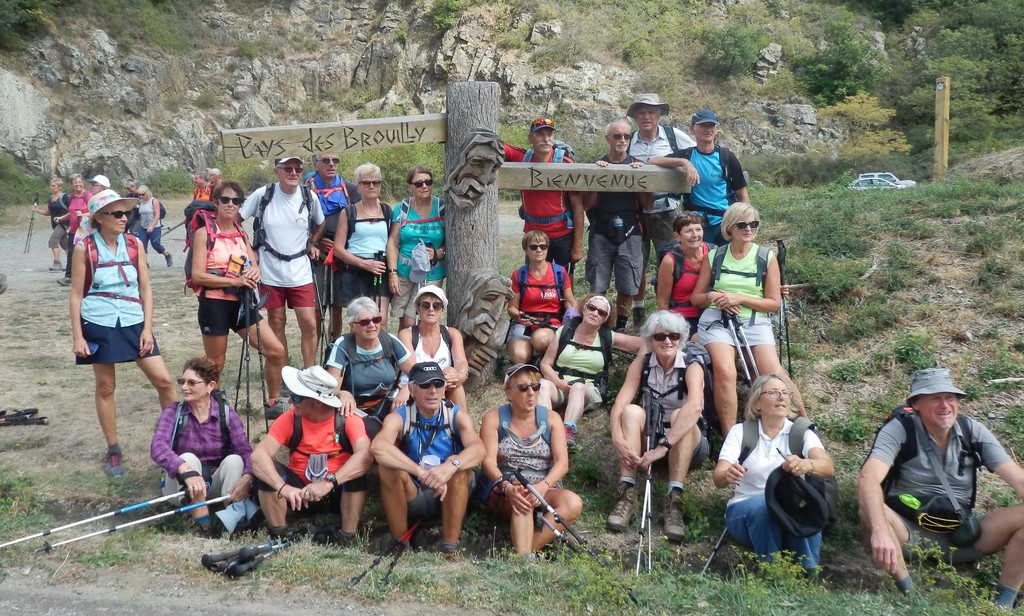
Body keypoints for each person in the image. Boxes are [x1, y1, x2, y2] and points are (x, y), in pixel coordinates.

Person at [858, 369, 1024, 607]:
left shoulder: (971, 430)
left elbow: (1018, 479)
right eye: (935, 398)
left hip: (962, 535)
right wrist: (880, 530)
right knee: (870, 510)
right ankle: (909, 594)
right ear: (915, 404)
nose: (945, 405)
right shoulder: (900, 429)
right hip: (907, 534)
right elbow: (868, 478)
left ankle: (1003, 605)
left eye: (950, 398)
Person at [69, 189, 177, 476]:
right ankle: (114, 449)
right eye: (117, 213)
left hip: (133, 320)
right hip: (99, 322)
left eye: (126, 213)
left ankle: (175, 440)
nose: (124, 218)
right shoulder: (84, 248)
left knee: (164, 381)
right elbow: (76, 295)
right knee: (106, 387)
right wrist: (78, 336)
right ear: (99, 218)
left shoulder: (134, 244)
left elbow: (146, 289)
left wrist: (148, 329)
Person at [690, 202, 805, 435]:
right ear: (729, 227)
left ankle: (804, 425)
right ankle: (730, 437)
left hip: (755, 322)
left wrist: (739, 298)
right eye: (742, 224)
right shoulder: (715, 256)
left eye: (754, 224)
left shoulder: (766, 257)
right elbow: (697, 298)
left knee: (773, 372)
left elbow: (773, 303)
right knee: (725, 370)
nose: (749, 228)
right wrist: (713, 296)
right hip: (718, 321)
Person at [712, 373, 834, 573]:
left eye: (786, 393)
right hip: (746, 512)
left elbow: (827, 466)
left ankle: (808, 574)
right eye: (773, 392)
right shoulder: (741, 432)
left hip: (788, 512)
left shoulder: (801, 432)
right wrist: (728, 474)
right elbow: (718, 478)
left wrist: (806, 464)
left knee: (805, 511)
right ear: (757, 403)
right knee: (763, 505)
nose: (781, 397)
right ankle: (771, 572)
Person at [607, 311, 710, 542]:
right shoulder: (642, 363)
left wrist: (663, 448)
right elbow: (620, 403)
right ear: (650, 340)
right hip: (651, 440)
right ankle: (627, 492)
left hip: (685, 443)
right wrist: (617, 436)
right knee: (631, 411)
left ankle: (675, 500)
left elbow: (695, 407)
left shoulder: (692, 366)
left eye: (673, 336)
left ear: (681, 339)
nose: (667, 341)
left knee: (681, 414)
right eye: (660, 336)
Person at [190, 180, 288, 419]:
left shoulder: (241, 233)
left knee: (276, 351)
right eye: (225, 199)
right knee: (216, 362)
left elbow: (254, 265)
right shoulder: (204, 233)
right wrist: (234, 282)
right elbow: (197, 275)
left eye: (236, 201)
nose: (230, 204)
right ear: (216, 202)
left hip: (242, 303)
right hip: (214, 303)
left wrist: (255, 272)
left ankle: (273, 403)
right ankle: (212, 409)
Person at [371, 361, 485, 556]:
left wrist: (450, 467)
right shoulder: (400, 417)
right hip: (414, 490)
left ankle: (449, 548)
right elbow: (378, 447)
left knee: (460, 468)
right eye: (425, 385)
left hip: (450, 492)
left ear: (444, 388)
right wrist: (421, 473)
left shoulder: (455, 415)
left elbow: (479, 449)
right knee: (387, 468)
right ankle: (400, 544)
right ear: (412, 390)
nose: (433, 390)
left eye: (438, 384)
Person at [252, 365, 373, 541]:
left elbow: (365, 455)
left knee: (355, 474)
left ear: (316, 402)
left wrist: (329, 483)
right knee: (270, 471)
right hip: (298, 495)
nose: (290, 401)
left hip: (336, 493)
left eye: (296, 397)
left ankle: (347, 536)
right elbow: (258, 456)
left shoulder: (347, 419)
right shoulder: (290, 418)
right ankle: (279, 533)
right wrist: (284, 488)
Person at [480, 363, 582, 555]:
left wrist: (543, 486)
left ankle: (525, 553)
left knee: (573, 502)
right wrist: (507, 487)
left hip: (544, 488)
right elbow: (487, 463)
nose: (531, 392)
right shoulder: (493, 419)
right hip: (507, 489)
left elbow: (562, 463)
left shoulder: (551, 419)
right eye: (523, 387)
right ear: (508, 393)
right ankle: (524, 557)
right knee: (522, 497)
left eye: (535, 387)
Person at [149, 357, 254, 536]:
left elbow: (245, 451)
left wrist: (248, 477)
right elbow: (157, 446)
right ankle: (203, 525)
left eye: (191, 383)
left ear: (210, 386)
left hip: (214, 485)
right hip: (181, 486)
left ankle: (232, 517)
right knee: (188, 458)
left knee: (235, 460)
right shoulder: (174, 412)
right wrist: (185, 470)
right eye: (182, 381)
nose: (184, 387)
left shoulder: (226, 413)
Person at [239, 156, 325, 368]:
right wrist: (250, 251)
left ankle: (309, 371)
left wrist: (313, 242)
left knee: (309, 323)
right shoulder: (263, 194)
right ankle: (283, 372)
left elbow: (320, 223)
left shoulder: (309, 196)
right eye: (288, 168)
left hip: (300, 269)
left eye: (298, 169)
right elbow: (236, 222)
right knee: (276, 322)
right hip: (270, 269)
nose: (293, 173)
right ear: (276, 171)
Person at [626, 94, 698, 327]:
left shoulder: (674, 136)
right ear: (635, 117)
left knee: (671, 260)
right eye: (642, 112)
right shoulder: (628, 140)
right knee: (637, 261)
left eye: (651, 112)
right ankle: (638, 310)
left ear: (658, 115)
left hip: (667, 210)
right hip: (635, 210)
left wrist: (686, 164)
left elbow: (696, 155)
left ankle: (670, 309)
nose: (646, 117)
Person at [538, 293, 642, 448]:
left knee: (578, 387)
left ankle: (567, 431)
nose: (595, 313)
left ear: (605, 319)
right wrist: (559, 383)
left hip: (589, 388)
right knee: (543, 384)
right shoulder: (565, 330)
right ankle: (545, 429)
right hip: (560, 383)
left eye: (601, 312)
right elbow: (546, 364)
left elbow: (644, 344)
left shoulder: (607, 336)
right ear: (584, 309)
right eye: (592, 308)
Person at [586, 119, 652, 331]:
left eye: (626, 136)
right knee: (598, 282)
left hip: (631, 229)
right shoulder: (596, 165)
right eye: (617, 136)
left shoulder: (638, 166)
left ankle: (621, 326)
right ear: (608, 139)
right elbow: (587, 204)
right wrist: (597, 177)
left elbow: (648, 205)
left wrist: (640, 177)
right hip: (601, 230)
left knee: (628, 282)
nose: (622, 140)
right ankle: (599, 326)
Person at [650, 109, 748, 246]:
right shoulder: (687, 155)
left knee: (725, 259)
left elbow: (742, 196)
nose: (708, 129)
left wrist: (745, 223)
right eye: (703, 125)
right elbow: (653, 161)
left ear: (716, 129)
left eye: (711, 125)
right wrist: (684, 163)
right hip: (697, 226)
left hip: (725, 223)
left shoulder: (726, 157)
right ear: (692, 129)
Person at [325, 297, 416, 436]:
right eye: (365, 322)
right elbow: (331, 387)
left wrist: (407, 388)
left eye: (376, 319)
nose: (372, 325)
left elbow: (418, 373)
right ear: (352, 325)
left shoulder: (389, 341)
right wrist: (342, 393)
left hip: (389, 406)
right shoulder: (342, 345)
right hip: (353, 410)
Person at [502, 118, 583, 270]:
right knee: (534, 277)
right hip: (534, 235)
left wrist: (577, 246)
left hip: (562, 234)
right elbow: (498, 146)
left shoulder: (565, 164)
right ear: (530, 138)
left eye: (549, 134)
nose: (546, 139)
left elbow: (578, 207)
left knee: (564, 280)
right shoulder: (522, 159)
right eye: (540, 134)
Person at [307, 152, 361, 340]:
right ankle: (314, 350)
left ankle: (332, 348)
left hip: (342, 253)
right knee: (316, 306)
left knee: (337, 306)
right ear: (315, 165)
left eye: (335, 160)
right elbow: (298, 222)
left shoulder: (350, 188)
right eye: (326, 160)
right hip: (316, 254)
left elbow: (359, 217)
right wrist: (314, 241)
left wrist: (342, 244)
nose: (331, 164)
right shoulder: (306, 190)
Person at [387, 165, 446, 331]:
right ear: (410, 187)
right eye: (419, 183)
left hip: (432, 271)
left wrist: (438, 252)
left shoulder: (442, 208)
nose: (424, 186)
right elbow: (393, 242)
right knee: (403, 319)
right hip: (404, 271)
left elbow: (453, 241)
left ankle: (420, 347)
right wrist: (392, 273)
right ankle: (405, 347)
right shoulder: (402, 209)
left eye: (428, 182)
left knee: (416, 317)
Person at [331, 162, 390, 329]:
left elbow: (393, 242)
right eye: (366, 183)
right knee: (360, 323)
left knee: (380, 321)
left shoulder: (387, 211)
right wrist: (364, 264)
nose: (371, 186)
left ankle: (381, 348)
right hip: (355, 272)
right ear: (358, 186)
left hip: (380, 270)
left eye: (376, 182)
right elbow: (338, 248)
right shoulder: (349, 212)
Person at [506, 231, 578, 365]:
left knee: (540, 339)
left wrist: (575, 319)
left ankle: (545, 359)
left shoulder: (559, 272)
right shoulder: (519, 275)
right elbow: (511, 307)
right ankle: (535, 359)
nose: (539, 250)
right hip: (525, 324)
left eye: (543, 246)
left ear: (547, 248)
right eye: (533, 247)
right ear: (526, 250)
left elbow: (571, 301)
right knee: (520, 356)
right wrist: (517, 315)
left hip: (551, 324)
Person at [398, 285, 470, 410]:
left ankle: (461, 421)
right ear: (418, 309)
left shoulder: (452, 334)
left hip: (441, 388)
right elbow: (414, 370)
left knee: (454, 377)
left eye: (436, 306)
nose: (431, 309)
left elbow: (461, 362)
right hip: (416, 387)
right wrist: (442, 378)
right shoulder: (407, 334)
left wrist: (461, 375)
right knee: (449, 372)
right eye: (425, 305)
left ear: (443, 310)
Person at [656, 213, 709, 339]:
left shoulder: (712, 252)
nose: (695, 235)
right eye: (688, 231)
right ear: (677, 236)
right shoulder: (670, 260)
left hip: (709, 312)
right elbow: (663, 302)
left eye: (698, 229)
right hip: (682, 317)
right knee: (701, 341)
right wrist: (667, 329)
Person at [56, 173, 92, 286]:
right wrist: (62, 218)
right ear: (71, 184)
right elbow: (71, 212)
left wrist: (83, 214)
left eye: (80, 182)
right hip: (74, 230)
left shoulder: (88, 196)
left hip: (86, 230)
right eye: (75, 182)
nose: (78, 184)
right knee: (71, 253)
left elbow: (95, 212)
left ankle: (89, 277)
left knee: (87, 253)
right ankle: (69, 277)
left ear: (83, 183)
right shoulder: (72, 196)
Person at [33, 177, 70, 272]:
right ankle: (72, 264)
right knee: (65, 244)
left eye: (53, 186)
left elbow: (71, 211)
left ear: (60, 187)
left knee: (53, 240)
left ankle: (57, 264)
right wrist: (37, 211)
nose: (51, 187)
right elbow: (49, 212)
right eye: (51, 185)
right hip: (55, 224)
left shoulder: (65, 197)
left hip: (64, 223)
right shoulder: (51, 197)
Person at [134, 185, 173, 268]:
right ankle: (144, 263)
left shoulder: (153, 201)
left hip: (155, 226)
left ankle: (167, 255)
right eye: (139, 195)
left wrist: (152, 226)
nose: (141, 196)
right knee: (141, 244)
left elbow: (157, 214)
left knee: (155, 244)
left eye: (143, 194)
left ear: (147, 193)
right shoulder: (140, 202)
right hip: (143, 227)